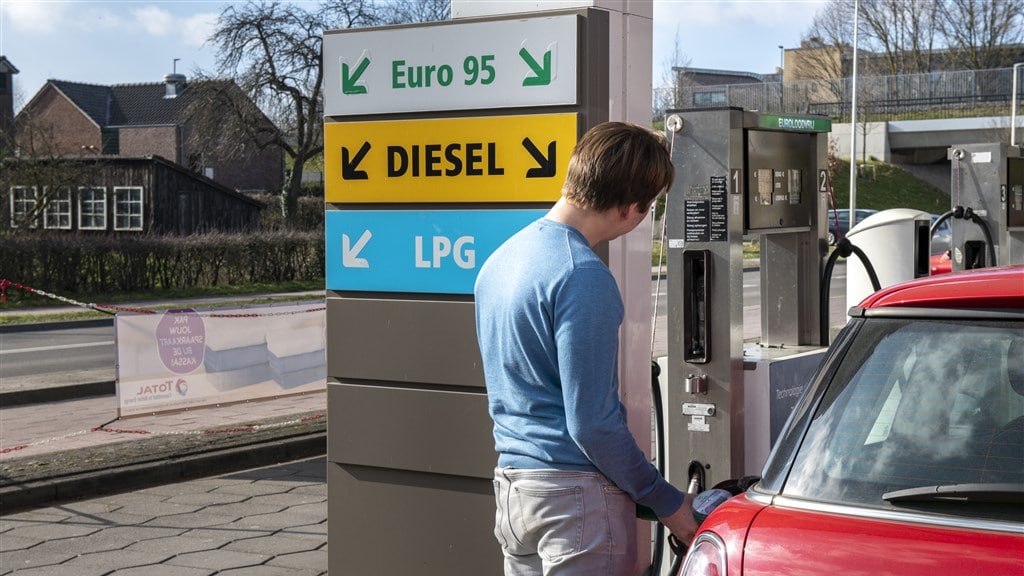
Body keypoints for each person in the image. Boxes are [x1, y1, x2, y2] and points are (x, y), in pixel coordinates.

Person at [474, 121, 698, 576]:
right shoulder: (582, 275)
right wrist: (668, 503)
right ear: (633, 207)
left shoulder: (498, 262)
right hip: (573, 503)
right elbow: (593, 425)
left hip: (515, 490)